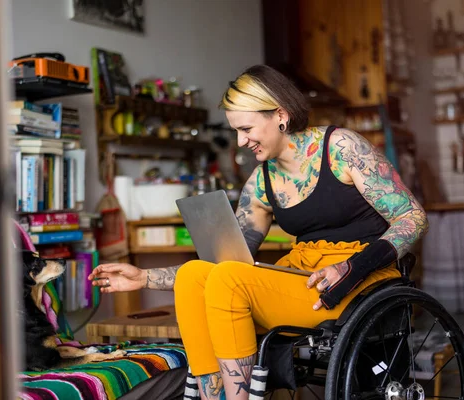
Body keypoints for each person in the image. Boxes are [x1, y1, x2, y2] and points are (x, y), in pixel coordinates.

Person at [88, 65, 428, 400]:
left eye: (246, 128)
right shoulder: (261, 181)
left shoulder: (341, 148)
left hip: (360, 279)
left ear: (279, 114)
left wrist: (351, 267)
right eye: (236, 131)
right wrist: (143, 278)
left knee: (229, 280)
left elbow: (412, 217)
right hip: (306, 279)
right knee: (197, 274)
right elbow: (225, 261)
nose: (240, 141)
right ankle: (214, 395)